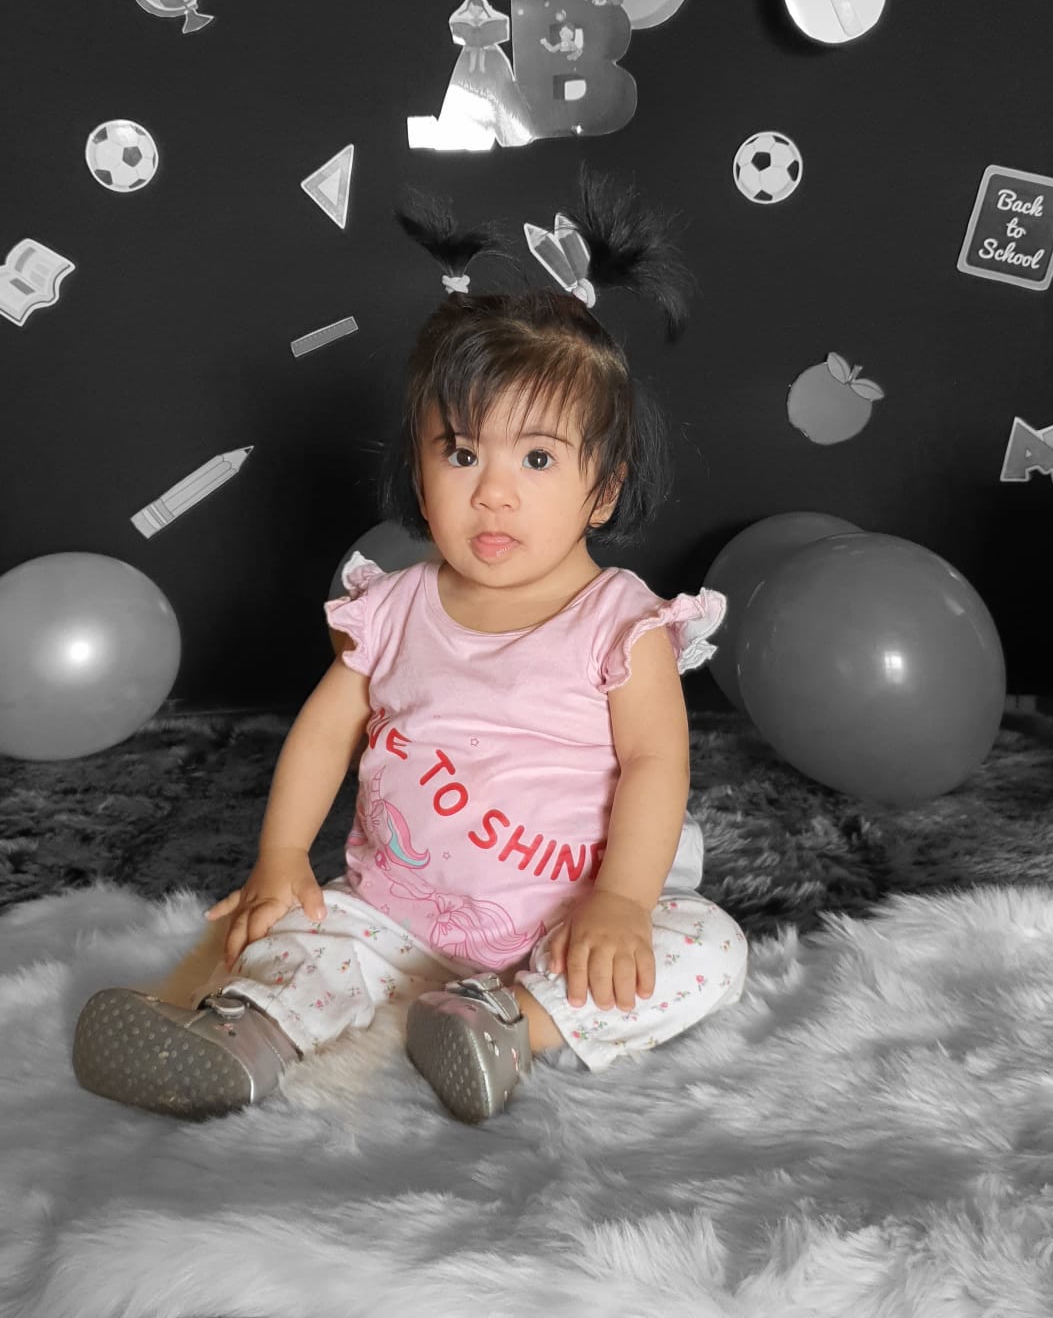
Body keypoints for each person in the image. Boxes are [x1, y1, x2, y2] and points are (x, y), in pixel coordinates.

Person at [72, 165, 750, 1124]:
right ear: (420, 470)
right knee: (292, 934)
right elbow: (323, 732)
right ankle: (242, 1040)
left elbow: (654, 764)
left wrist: (623, 904)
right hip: (393, 913)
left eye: (538, 458)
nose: (493, 492)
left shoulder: (620, 622)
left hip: (566, 916)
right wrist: (281, 855)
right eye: (462, 453)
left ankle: (511, 1022)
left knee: (710, 950)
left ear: (602, 489)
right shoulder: (392, 608)